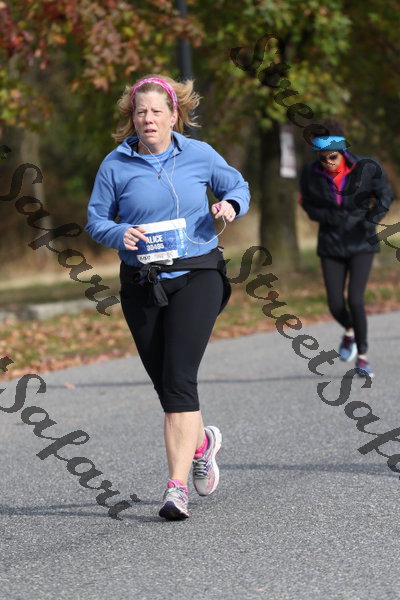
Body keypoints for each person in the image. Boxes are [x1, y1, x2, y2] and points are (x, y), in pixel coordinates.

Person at [85, 75, 250, 520]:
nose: (148, 119)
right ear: (131, 117)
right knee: (167, 383)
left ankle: (176, 489)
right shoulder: (115, 165)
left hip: (198, 274)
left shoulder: (199, 154)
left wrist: (230, 205)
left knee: (178, 380)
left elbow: (238, 186)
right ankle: (202, 443)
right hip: (142, 282)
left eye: (157, 111)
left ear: (174, 115)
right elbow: (96, 220)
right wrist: (120, 233)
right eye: (140, 111)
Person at [299, 120, 393, 378]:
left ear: (342, 152)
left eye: (332, 156)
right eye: (322, 158)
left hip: (361, 241)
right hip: (330, 242)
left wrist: (371, 219)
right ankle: (350, 330)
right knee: (335, 303)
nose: (327, 162)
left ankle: (362, 358)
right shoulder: (310, 172)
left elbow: (385, 195)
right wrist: (329, 217)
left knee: (355, 299)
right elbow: (307, 204)